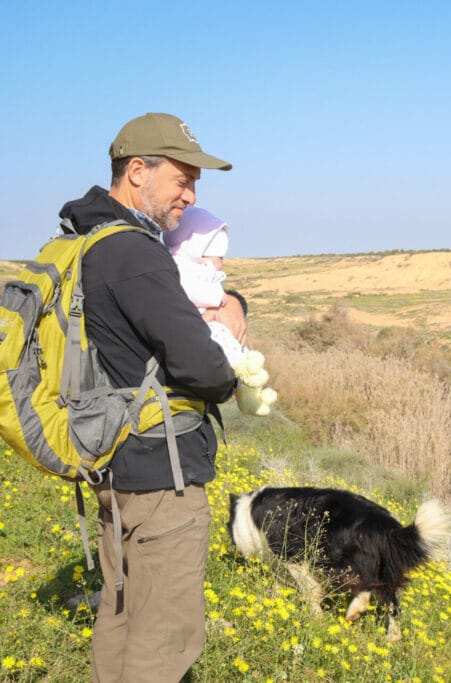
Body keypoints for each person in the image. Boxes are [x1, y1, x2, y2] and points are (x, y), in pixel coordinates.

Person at [57, 112, 240, 682]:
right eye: (183, 180)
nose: (190, 195)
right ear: (138, 171)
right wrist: (232, 331)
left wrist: (229, 297)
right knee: (163, 639)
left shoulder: (87, 239)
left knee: (121, 615)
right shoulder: (136, 254)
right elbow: (206, 370)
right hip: (161, 477)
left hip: (113, 465)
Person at [164, 206, 278, 415]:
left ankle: (250, 393)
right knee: (226, 343)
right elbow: (196, 292)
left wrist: (231, 301)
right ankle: (245, 375)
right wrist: (221, 300)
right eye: (216, 257)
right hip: (204, 327)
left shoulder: (196, 269)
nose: (220, 263)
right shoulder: (179, 268)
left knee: (236, 342)